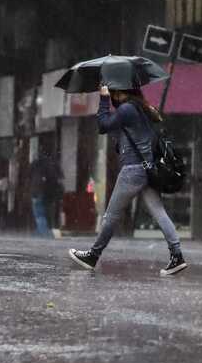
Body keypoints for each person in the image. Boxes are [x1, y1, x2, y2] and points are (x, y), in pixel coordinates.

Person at [68, 85, 188, 276]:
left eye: (116, 92)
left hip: (133, 170)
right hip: (148, 169)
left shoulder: (127, 109)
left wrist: (104, 99)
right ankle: (177, 256)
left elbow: (102, 125)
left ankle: (93, 255)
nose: (115, 95)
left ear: (124, 92)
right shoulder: (142, 108)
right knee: (159, 212)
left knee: (111, 216)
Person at [30, 151, 63, 238]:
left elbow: (30, 177)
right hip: (47, 193)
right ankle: (45, 231)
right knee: (45, 213)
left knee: (39, 214)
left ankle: (44, 232)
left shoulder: (36, 168)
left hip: (37, 192)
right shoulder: (51, 167)